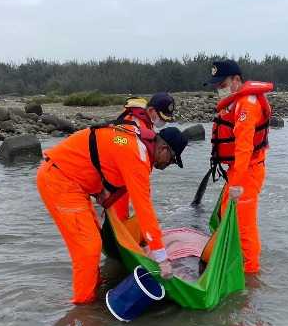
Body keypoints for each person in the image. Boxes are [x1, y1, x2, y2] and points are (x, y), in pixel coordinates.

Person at [37, 120, 188, 304]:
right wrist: (162, 258)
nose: (168, 165)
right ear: (163, 148)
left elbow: (103, 154)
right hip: (60, 181)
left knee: (95, 241)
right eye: (172, 160)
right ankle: (83, 308)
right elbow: (144, 210)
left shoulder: (134, 139)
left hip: (72, 181)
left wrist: (99, 189)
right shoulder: (137, 156)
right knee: (88, 248)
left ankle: (94, 288)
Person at [205, 59, 273, 274]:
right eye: (217, 86)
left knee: (244, 226)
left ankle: (251, 274)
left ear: (236, 79)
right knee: (226, 212)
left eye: (222, 84)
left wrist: (236, 184)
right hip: (239, 169)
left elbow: (244, 148)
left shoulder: (247, 104)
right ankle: (232, 261)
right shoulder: (236, 102)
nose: (219, 89)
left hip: (248, 171)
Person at [111, 92, 176, 220]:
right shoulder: (134, 123)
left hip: (124, 174)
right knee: (119, 214)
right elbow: (116, 141)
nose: (163, 122)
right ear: (151, 110)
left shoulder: (145, 122)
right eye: (162, 118)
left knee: (125, 211)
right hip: (118, 175)